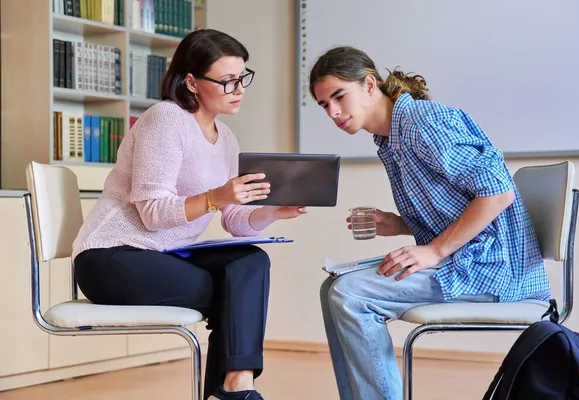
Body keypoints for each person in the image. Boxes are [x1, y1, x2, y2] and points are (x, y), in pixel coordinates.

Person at [72, 29, 306, 400]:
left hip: (165, 258)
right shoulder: (164, 119)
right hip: (111, 257)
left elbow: (234, 221)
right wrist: (216, 195)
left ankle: (236, 385)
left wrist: (273, 211)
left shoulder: (226, 138)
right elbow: (152, 213)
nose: (239, 88)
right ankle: (231, 392)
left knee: (250, 262)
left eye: (242, 78)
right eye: (227, 81)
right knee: (233, 291)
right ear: (193, 82)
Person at [309, 46, 550, 399]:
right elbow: (462, 203)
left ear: (370, 84)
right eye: (323, 105)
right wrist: (401, 223)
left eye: (338, 96)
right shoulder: (390, 138)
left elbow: (498, 194)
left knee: (350, 295)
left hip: (494, 268)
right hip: (469, 259)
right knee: (333, 287)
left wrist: (434, 250)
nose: (333, 112)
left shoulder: (423, 122)